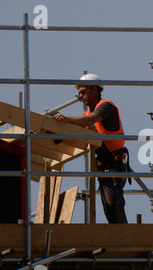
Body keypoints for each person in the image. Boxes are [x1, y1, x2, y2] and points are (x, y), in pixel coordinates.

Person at [53, 73, 130, 223]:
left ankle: (123, 237)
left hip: (114, 164)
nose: (80, 96)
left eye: (83, 91)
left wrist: (66, 119)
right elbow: (78, 127)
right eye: (79, 93)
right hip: (103, 166)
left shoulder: (106, 106)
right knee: (108, 206)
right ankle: (119, 236)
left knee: (113, 204)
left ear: (95, 90)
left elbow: (90, 120)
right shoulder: (87, 113)